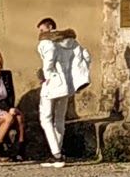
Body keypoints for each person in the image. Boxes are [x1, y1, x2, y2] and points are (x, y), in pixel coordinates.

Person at [36, 16, 91, 168]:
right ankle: (57, 154)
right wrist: (76, 75)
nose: (40, 33)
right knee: (59, 119)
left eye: (42, 29)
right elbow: (86, 56)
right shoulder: (71, 41)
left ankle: (56, 155)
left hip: (52, 83)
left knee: (45, 118)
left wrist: (46, 75)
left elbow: (50, 57)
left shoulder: (47, 42)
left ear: (49, 27)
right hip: (66, 84)